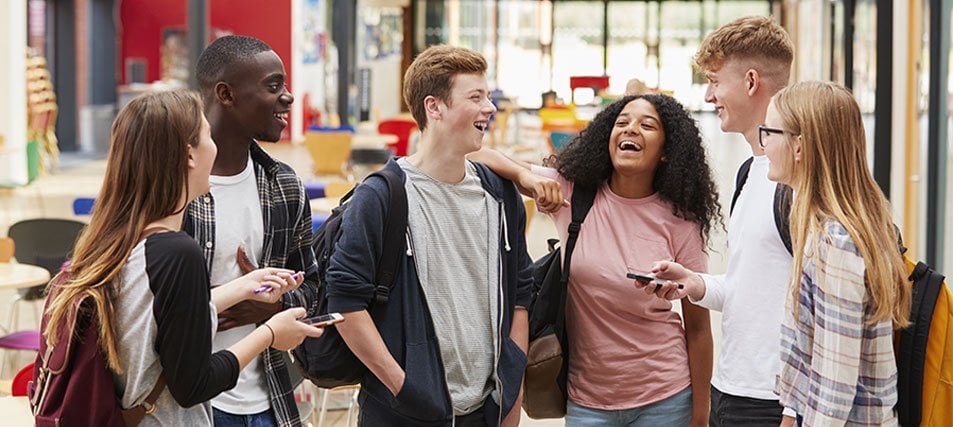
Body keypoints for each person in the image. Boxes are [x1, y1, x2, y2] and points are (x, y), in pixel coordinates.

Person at [40, 90, 324, 426]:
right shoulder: (178, 254)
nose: (215, 147)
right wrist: (272, 334)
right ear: (190, 155)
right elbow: (194, 385)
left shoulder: (119, 241)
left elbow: (156, 324)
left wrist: (242, 287)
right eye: (207, 136)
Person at [471, 93, 720, 427]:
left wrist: (701, 415)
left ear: (665, 153)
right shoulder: (574, 193)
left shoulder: (681, 221)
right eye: (622, 123)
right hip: (587, 401)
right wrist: (527, 178)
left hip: (666, 397)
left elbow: (699, 328)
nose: (631, 130)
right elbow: (475, 155)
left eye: (647, 125)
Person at [326, 45, 532, 426]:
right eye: (476, 97)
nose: (490, 107)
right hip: (403, 414)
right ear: (434, 107)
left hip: (485, 410)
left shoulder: (501, 195)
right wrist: (404, 390)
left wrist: (511, 392)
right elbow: (344, 302)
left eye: (488, 96)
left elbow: (521, 296)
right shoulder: (382, 195)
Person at [637, 15, 798, 427]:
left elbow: (825, 304)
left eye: (714, 81)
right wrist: (696, 283)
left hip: (774, 400)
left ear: (749, 81)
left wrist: (796, 410)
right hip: (732, 389)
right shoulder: (750, 171)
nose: (709, 96)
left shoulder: (797, 182)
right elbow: (754, 288)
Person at [188, 35, 320, 426]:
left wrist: (275, 306)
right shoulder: (173, 186)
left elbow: (313, 286)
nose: (289, 97)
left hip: (270, 402)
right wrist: (228, 298)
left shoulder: (285, 185)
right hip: (192, 404)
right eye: (273, 86)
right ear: (226, 94)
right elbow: (140, 302)